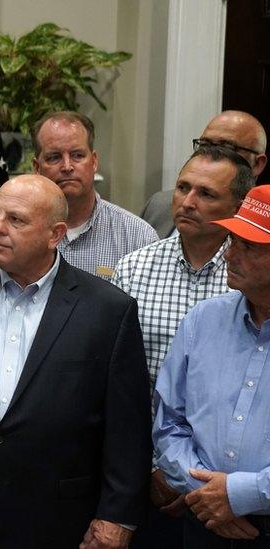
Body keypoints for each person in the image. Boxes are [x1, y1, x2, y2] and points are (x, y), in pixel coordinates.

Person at [0, 174, 151, 548]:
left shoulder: (107, 309)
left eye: (16, 219)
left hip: (58, 519)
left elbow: (127, 428)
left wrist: (117, 515)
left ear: (55, 234)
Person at [114, 145, 254, 548]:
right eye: (182, 187)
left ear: (240, 205)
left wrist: (209, 491)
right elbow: (117, 381)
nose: (188, 202)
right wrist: (159, 471)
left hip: (232, 485)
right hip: (146, 473)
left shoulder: (249, 274)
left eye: (206, 194)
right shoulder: (135, 267)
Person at [154, 184, 270, 547]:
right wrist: (206, 493)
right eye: (232, 240)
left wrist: (240, 494)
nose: (229, 255)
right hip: (201, 518)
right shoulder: (203, 320)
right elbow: (169, 422)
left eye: (247, 246)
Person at [0, 111, 157, 280]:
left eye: (77, 155)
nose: (67, 166)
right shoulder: (5, 234)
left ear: (93, 162)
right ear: (37, 168)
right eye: (54, 157)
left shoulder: (137, 236)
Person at [141, 110, 267, 238]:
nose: (212, 155)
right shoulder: (159, 205)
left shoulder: (263, 223)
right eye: (205, 145)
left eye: (227, 148)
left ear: (258, 164)